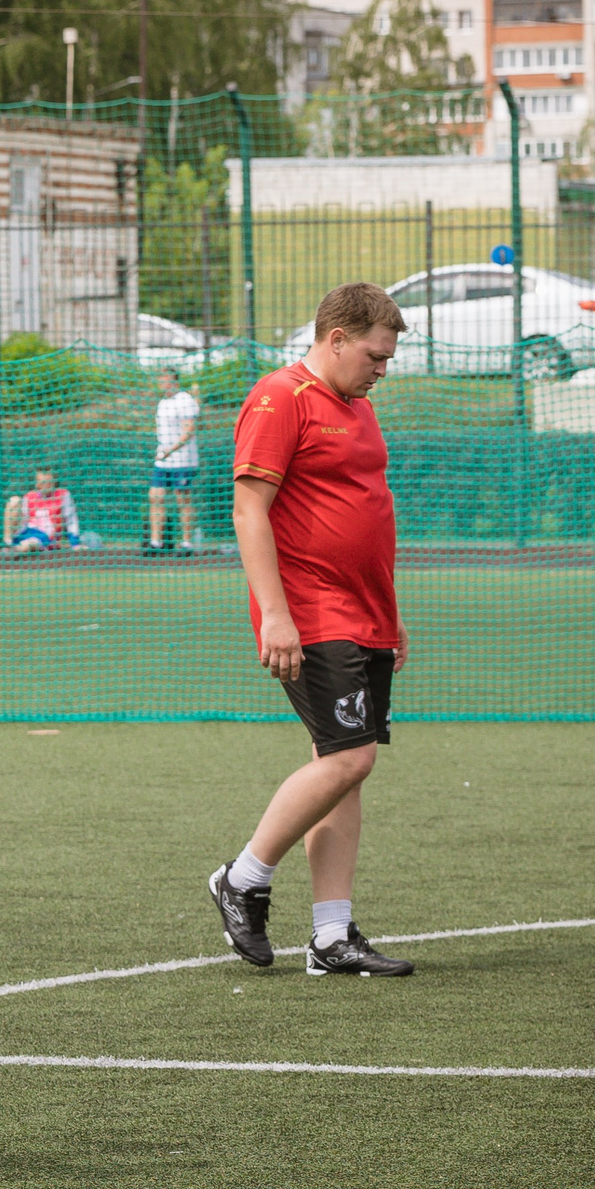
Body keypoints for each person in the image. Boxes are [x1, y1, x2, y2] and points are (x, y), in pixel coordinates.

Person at [205, 283, 416, 978]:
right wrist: (275, 612)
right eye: (374, 355)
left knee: (341, 771)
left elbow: (363, 513)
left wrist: (391, 616)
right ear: (335, 339)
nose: (381, 368)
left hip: (366, 614)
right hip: (312, 611)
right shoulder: (280, 398)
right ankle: (244, 875)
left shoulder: (359, 409)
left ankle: (332, 936)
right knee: (352, 757)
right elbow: (248, 511)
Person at [147, 369, 201, 552]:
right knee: (155, 496)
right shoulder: (162, 403)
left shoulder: (185, 401)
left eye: (167, 381)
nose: (164, 385)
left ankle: (187, 542)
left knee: (182, 499)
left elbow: (188, 431)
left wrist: (171, 451)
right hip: (163, 460)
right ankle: (156, 542)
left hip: (183, 460)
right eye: (161, 381)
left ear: (175, 382)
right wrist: (164, 453)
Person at [4, 467, 81, 550]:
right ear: (37, 483)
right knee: (14, 501)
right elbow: (23, 521)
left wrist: (74, 543)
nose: (47, 485)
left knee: (30, 544)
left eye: (49, 482)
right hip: (27, 532)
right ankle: (8, 543)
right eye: (43, 482)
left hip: (45, 538)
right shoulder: (29, 497)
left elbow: (71, 521)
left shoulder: (62, 495)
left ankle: (16, 550)